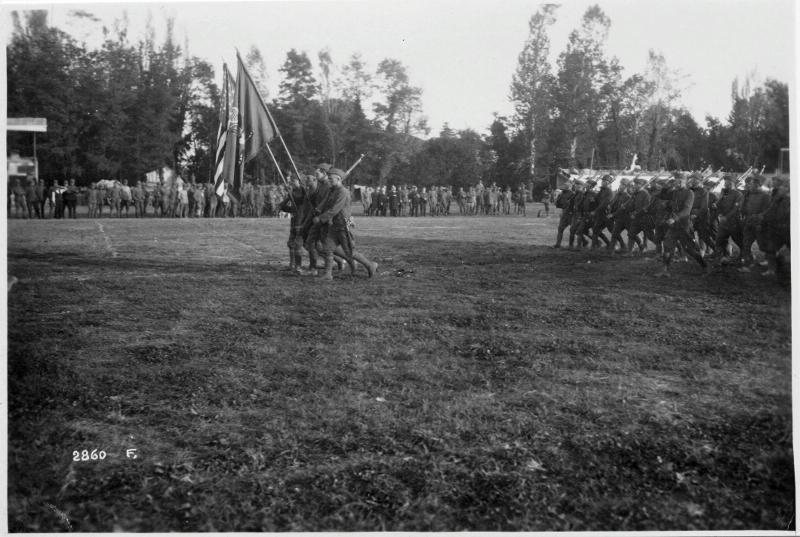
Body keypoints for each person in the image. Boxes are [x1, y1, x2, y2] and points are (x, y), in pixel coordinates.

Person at [312, 168, 378, 280]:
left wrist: (321, 218)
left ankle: (370, 265)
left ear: (338, 179)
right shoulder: (332, 190)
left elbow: (335, 209)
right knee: (328, 248)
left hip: (343, 225)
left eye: (331, 179)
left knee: (349, 252)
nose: (329, 180)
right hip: (333, 225)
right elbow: (325, 204)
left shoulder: (343, 192)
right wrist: (318, 210)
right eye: (328, 178)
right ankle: (328, 274)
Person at [656, 173, 707, 277]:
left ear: (685, 182)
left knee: (690, 249)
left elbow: (686, 210)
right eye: (676, 180)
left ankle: (705, 267)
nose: (678, 183)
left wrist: (674, 218)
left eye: (680, 181)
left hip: (684, 226)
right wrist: (665, 188)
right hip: (673, 226)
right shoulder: (674, 192)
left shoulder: (689, 193)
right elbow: (661, 196)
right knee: (667, 247)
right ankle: (665, 270)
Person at [738, 175, 772, 272]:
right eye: (749, 184)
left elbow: (768, 210)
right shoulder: (748, 194)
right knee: (746, 244)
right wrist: (742, 213)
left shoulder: (766, 196)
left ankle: (771, 260)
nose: (749, 186)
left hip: (760, 224)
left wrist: (759, 217)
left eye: (751, 184)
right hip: (748, 222)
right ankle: (748, 264)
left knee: (762, 245)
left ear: (758, 185)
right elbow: (744, 207)